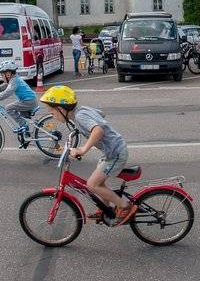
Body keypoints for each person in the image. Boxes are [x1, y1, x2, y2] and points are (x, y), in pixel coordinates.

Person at [39, 85, 138, 226]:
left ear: (61, 109)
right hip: (111, 151)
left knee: (92, 185)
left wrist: (83, 149)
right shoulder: (80, 111)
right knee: (99, 183)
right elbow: (101, 114)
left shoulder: (80, 116)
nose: (52, 115)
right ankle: (105, 209)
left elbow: (98, 131)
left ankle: (125, 206)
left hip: (115, 153)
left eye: (52, 111)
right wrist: (81, 129)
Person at [0, 61, 37, 148]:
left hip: (28, 101)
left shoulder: (14, 81)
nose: (1, 77)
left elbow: (6, 93)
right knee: (22, 117)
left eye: (2, 75)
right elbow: (6, 85)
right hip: (29, 100)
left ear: (8, 74)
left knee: (8, 108)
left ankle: (24, 127)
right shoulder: (14, 79)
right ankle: (26, 136)